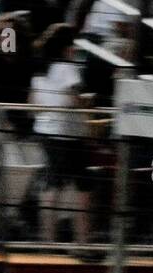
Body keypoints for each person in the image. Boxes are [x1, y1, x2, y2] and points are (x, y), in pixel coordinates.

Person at [30, 23, 90, 244]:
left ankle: (48, 240)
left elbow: (33, 102)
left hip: (45, 131)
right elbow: (75, 99)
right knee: (82, 186)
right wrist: (87, 103)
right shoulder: (67, 68)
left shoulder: (40, 70)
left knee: (52, 184)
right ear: (66, 47)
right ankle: (82, 242)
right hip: (68, 134)